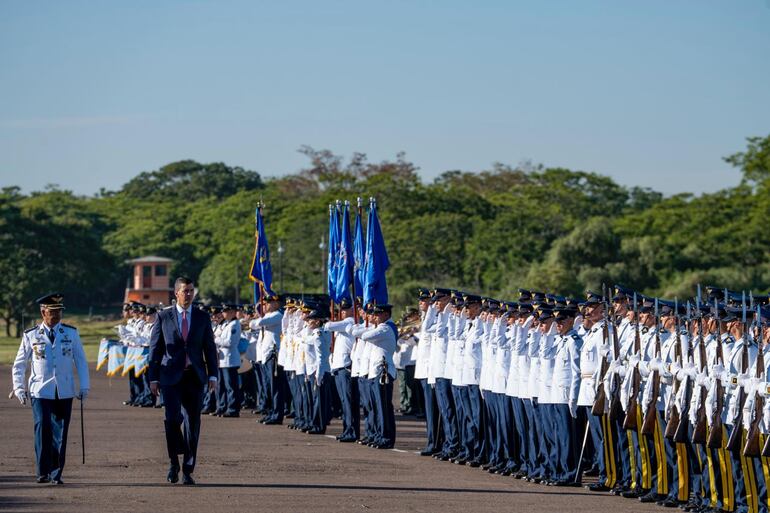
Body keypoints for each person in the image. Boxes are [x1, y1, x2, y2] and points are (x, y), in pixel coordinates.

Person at [11, 293, 90, 485]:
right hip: (40, 389)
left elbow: (80, 360)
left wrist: (84, 386)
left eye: (59, 312)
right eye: (52, 312)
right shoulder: (31, 335)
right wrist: (19, 387)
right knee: (42, 428)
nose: (56, 315)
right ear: (43, 312)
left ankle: (56, 473)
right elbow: (20, 364)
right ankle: (42, 471)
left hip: (63, 389)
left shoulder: (70, 333)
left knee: (60, 432)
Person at [148, 276, 218, 486]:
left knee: (193, 423)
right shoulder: (164, 317)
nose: (188, 294)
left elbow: (209, 348)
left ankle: (188, 469)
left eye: (191, 291)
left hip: (194, 376)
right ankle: (173, 462)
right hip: (170, 376)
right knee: (171, 419)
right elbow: (155, 349)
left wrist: (213, 374)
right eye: (184, 291)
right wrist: (152, 377)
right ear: (176, 293)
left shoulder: (202, 317)